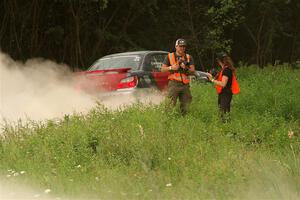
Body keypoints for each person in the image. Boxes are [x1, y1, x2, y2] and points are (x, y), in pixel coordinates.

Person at [161, 38, 196, 115]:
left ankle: (184, 121)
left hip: (185, 85)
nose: (182, 48)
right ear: (176, 46)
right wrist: (171, 67)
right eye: (180, 46)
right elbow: (162, 69)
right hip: (173, 84)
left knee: (186, 105)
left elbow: (193, 72)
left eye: (184, 46)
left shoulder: (189, 57)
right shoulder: (169, 56)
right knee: (170, 105)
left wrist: (186, 68)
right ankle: (168, 120)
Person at [207, 52, 240, 121]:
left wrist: (212, 80)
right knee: (224, 112)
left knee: (223, 113)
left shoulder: (226, 70)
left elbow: (223, 84)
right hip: (224, 93)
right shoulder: (225, 69)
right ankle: (226, 126)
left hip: (226, 93)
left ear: (219, 61)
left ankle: (225, 127)